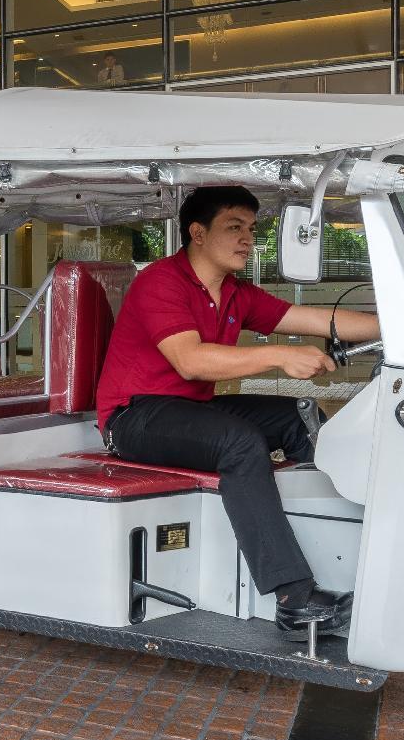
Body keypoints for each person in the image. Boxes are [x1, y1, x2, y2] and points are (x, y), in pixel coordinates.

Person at [97, 186, 380, 633]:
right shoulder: (160, 281)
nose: (248, 238)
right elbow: (190, 361)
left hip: (192, 410)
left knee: (298, 419)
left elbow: (315, 319)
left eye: (251, 228)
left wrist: (403, 328)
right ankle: (293, 596)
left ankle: (343, 552)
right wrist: (279, 357)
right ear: (198, 233)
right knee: (240, 443)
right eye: (234, 227)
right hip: (133, 417)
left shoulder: (234, 293)